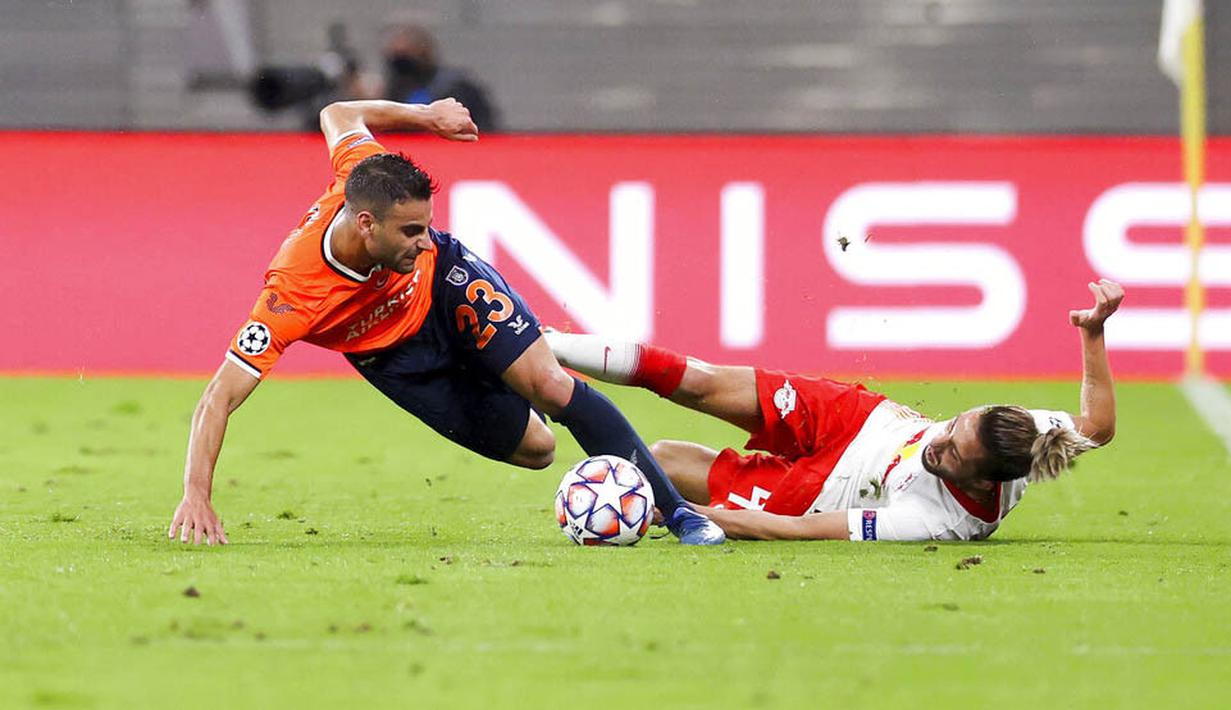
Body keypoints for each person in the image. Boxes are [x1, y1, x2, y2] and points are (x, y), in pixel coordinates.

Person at [167, 98, 722, 546]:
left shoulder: (368, 178)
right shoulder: (292, 292)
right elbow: (219, 396)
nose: (422, 237)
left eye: (426, 224)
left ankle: (678, 514)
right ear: (366, 226)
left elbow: (337, 114)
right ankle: (511, 358)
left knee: (552, 387)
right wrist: (197, 494)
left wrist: (427, 116)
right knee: (539, 450)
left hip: (446, 285)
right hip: (395, 359)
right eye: (409, 231)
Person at [545, 280, 1124, 541]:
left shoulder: (942, 521)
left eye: (949, 455)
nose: (937, 444)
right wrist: (1093, 334)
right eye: (951, 427)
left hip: (829, 490)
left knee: (664, 462)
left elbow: (794, 531)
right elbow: (1097, 427)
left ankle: (641, 501)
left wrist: (677, 516)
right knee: (701, 382)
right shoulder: (1021, 430)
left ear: (977, 477)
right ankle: (542, 344)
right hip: (864, 419)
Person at [383, 24, 499, 132]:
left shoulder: (455, 84)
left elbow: (480, 123)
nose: (401, 62)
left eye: (406, 54)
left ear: (424, 52)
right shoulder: (397, 87)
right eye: (397, 55)